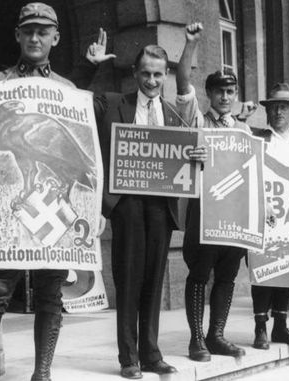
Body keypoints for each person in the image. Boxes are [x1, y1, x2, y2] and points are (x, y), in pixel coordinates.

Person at [0, 3, 114, 381]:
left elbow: (85, 142)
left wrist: (93, 205)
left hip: (53, 205)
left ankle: (42, 373)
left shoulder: (67, 90)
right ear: (17, 35)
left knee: (50, 293)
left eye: (43, 32)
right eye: (28, 31)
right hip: (9, 218)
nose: (35, 38)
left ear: (55, 38)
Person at [93, 38, 205, 377]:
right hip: (126, 203)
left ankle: (151, 355)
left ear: (166, 76)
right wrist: (95, 66)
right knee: (128, 279)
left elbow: (190, 152)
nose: (152, 81)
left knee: (154, 281)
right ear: (134, 73)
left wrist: (198, 157)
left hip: (161, 206)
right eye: (145, 74)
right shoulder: (115, 104)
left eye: (158, 75)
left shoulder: (173, 114)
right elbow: (83, 105)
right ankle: (128, 358)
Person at [174, 22, 248, 362]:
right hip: (204, 215)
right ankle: (197, 338)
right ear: (210, 94)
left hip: (235, 217)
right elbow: (183, 84)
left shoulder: (245, 129)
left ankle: (217, 334)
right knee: (200, 275)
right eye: (219, 91)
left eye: (230, 92)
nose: (225, 97)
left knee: (228, 276)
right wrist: (190, 45)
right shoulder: (198, 121)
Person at [249, 82, 289, 350]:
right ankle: (260, 327)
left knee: (286, 268)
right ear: (267, 111)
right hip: (263, 213)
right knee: (263, 270)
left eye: (283, 107)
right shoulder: (258, 137)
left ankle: (281, 325)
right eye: (274, 107)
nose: (278, 112)